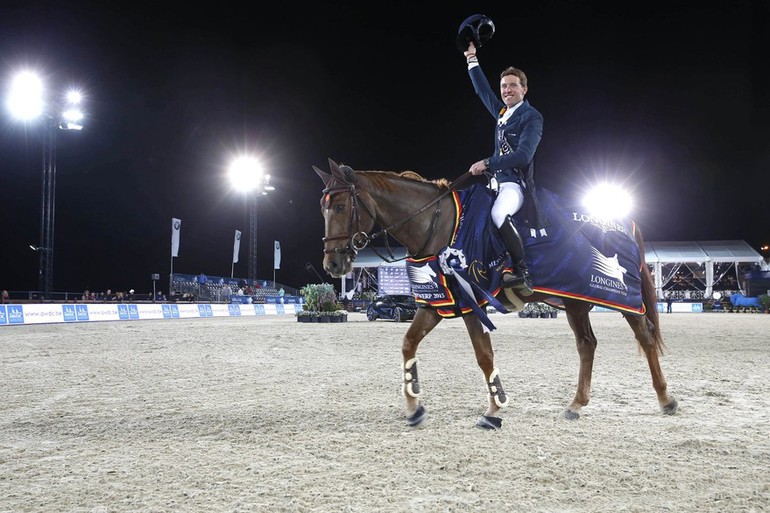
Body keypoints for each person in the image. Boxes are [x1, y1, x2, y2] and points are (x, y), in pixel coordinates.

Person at [462, 41, 543, 295]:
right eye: (504, 86)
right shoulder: (502, 113)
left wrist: (488, 162)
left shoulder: (531, 117)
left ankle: (522, 271)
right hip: (494, 183)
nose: (507, 90)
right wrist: (471, 59)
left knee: (498, 215)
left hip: (513, 185)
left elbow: (523, 156)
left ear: (524, 89)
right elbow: (483, 91)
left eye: (512, 86)